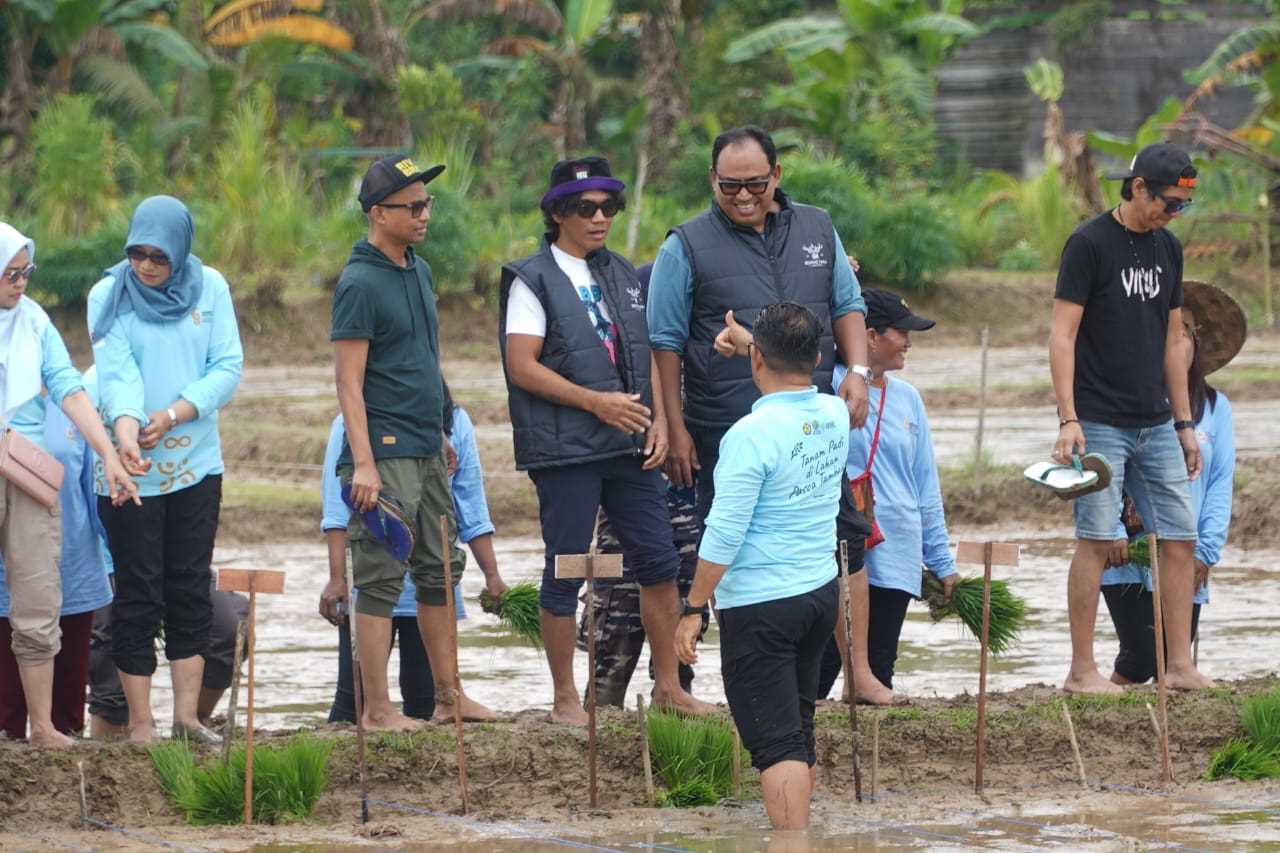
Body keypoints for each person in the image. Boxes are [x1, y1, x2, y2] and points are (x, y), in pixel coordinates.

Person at [648, 125, 890, 705]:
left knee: (842, 541)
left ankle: (857, 673)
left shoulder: (816, 227)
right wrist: (675, 427)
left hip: (813, 421)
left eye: (755, 183)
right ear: (713, 180)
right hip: (728, 423)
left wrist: (856, 372)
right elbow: (663, 342)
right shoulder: (684, 245)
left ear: (776, 176)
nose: (743, 196)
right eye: (730, 186)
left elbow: (848, 305)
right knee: (734, 542)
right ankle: (750, 683)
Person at [499, 155, 709, 725]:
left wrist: (664, 422)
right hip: (567, 448)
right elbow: (522, 365)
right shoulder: (532, 279)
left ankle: (668, 686)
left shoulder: (622, 273)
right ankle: (566, 697)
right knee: (567, 566)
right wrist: (596, 403)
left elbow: (651, 355)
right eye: (587, 208)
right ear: (558, 213)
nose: (601, 218)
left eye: (609, 207)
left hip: (633, 445)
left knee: (659, 561)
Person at [332, 155, 493, 730]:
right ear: (379, 213)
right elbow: (349, 382)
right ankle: (377, 708)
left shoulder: (417, 271)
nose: (426, 214)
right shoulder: (358, 282)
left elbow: (425, 360)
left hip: (426, 445)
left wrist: (443, 427)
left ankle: (450, 696)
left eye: (428, 203)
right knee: (378, 572)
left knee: (441, 570)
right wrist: (366, 465)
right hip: (385, 450)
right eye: (414, 206)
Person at [675, 302, 847, 831]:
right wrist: (750, 340)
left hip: (763, 605)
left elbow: (724, 533)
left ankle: (791, 842)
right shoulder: (833, 412)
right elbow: (784, 359)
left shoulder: (750, 435)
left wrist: (693, 607)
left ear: (755, 361)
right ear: (816, 358)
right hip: (819, 593)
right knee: (797, 726)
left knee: (777, 744)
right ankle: (797, 833)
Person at [1049, 142, 1212, 694]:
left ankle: (1179, 666)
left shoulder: (1168, 247)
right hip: (1099, 418)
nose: (1174, 214)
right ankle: (1081, 670)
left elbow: (1172, 340)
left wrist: (1184, 423)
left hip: (1157, 421)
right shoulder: (1089, 244)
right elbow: (1062, 335)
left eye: (1183, 207)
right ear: (1138, 187)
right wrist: (1068, 418)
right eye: (1169, 202)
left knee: (1180, 537)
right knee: (1096, 539)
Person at [89, 195, 244, 743]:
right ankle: (140, 723)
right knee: (138, 591)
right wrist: (128, 432)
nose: (148, 266)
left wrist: (176, 413)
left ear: (180, 252)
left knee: (188, 586)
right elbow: (116, 375)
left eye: (159, 257)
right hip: (129, 468)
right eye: (138, 254)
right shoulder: (109, 295)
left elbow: (227, 366)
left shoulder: (212, 289)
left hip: (196, 466)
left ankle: (185, 718)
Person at [0, 223, 136, 748]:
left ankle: (43, 727)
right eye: (10, 275)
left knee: (37, 598)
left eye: (26, 272)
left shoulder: (35, 324)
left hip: (27, 471)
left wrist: (108, 453)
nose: (21, 283)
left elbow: (70, 389)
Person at [318, 387, 509, 723]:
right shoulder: (351, 423)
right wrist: (337, 578)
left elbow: (471, 506)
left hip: (429, 590)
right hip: (370, 588)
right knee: (351, 703)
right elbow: (337, 507)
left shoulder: (456, 423)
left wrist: (492, 575)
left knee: (425, 700)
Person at [1101, 281, 1240, 684]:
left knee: (1173, 659)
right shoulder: (1128, 402)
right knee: (1141, 657)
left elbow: (1219, 482)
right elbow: (1103, 471)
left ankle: (1154, 732)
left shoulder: (1216, 407)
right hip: (1131, 550)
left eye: (1184, 331)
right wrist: (1110, 530)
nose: (1176, 340)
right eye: (1166, 331)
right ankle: (1102, 714)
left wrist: (1207, 550)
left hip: (1187, 548)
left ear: (1196, 342)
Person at [825, 289, 957, 694]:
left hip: (897, 548)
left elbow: (924, 485)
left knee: (879, 669)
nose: (908, 342)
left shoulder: (909, 399)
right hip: (841, 548)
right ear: (867, 336)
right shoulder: (830, 387)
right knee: (818, 669)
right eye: (900, 332)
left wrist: (940, 559)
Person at [0, 401, 112, 739]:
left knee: (67, 714)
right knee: (7, 716)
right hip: (9, 576)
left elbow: (92, 486)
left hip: (75, 566)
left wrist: (108, 559)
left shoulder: (73, 405)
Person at [576, 479, 706, 708]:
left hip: (686, 508)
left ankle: (675, 727)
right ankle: (598, 729)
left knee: (682, 647)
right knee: (612, 649)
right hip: (624, 509)